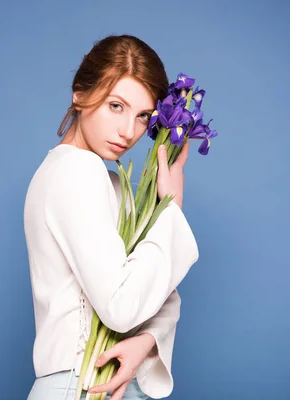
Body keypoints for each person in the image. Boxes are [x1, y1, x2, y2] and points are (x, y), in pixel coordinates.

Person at [24, 34, 199, 400]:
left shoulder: (110, 183)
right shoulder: (75, 171)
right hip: (80, 387)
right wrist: (172, 208)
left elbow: (162, 294)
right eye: (115, 106)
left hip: (104, 384)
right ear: (79, 94)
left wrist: (145, 342)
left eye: (142, 117)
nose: (128, 131)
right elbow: (121, 307)